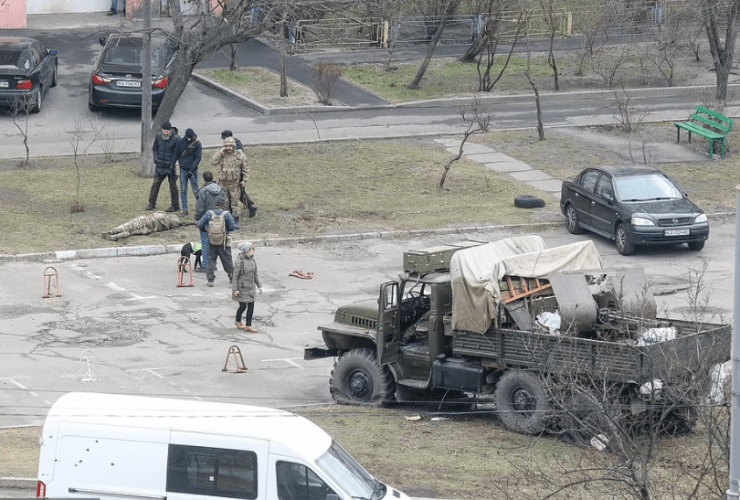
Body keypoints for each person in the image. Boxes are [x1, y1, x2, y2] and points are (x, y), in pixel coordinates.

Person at [197, 194, 238, 287]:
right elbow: (233, 227)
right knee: (227, 260)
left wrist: (207, 230)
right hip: (223, 242)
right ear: (223, 205)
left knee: (211, 260)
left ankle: (210, 280)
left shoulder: (209, 213)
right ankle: (231, 276)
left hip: (211, 240)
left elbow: (200, 224)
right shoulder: (226, 214)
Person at [210, 136, 249, 220]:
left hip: (235, 184)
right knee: (224, 204)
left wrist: (244, 180)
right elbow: (212, 162)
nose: (228, 148)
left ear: (234, 146)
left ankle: (235, 222)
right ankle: (227, 221)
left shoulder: (240, 155)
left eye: (230, 146)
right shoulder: (221, 154)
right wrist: (220, 153)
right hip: (223, 183)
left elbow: (245, 168)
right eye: (226, 146)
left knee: (235, 204)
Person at [194, 171, 224, 273]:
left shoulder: (203, 191)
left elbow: (200, 207)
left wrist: (197, 218)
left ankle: (206, 265)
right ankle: (213, 264)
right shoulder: (220, 190)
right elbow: (225, 203)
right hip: (218, 220)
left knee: (205, 243)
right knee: (215, 242)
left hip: (206, 220)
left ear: (204, 179)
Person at [147, 121, 180, 212]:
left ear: (170, 131)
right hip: (160, 166)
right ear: (162, 130)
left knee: (173, 186)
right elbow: (155, 148)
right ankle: (151, 203)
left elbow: (176, 153)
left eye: (167, 131)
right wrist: (156, 159)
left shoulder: (176, 139)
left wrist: (172, 164)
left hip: (170, 167)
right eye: (164, 131)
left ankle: (175, 205)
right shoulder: (158, 136)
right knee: (155, 185)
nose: (165, 133)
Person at [232, 241, 262, 332]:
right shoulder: (239, 261)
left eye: (253, 250)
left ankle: (248, 325)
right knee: (243, 307)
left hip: (251, 288)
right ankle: (238, 321)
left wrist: (259, 286)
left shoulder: (252, 260)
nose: (253, 252)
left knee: (251, 306)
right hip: (242, 288)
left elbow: (255, 275)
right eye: (251, 250)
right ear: (246, 251)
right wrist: (235, 289)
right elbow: (235, 276)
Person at [176, 128, 202, 217]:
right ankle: (185, 210)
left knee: (196, 190)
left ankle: (200, 209)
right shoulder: (182, 141)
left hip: (193, 170)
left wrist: (192, 169)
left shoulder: (197, 144)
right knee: (183, 190)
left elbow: (198, 157)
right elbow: (178, 153)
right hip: (183, 169)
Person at [102, 212, 179, 241]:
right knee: (131, 231)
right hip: (147, 227)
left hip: (145, 221)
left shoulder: (163, 216)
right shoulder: (165, 225)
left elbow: (153, 215)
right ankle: (116, 235)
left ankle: (114, 232)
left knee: (129, 225)